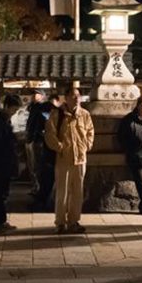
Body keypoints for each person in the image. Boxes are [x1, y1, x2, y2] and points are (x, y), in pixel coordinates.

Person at [45, 88, 94, 234]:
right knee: (62, 192)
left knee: (77, 192)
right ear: (66, 98)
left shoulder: (84, 115)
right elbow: (50, 134)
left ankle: (74, 221)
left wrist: (87, 145)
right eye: (73, 95)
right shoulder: (57, 114)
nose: (77, 98)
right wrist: (59, 147)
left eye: (78, 95)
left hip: (80, 158)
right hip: (63, 159)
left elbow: (90, 131)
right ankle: (60, 222)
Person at [0, 94, 22, 234]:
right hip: (1, 161)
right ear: (7, 106)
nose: (14, 112)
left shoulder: (3, 119)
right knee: (0, 192)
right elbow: (0, 142)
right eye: (13, 109)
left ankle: (0, 221)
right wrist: (13, 140)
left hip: (2, 160)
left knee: (1, 192)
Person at [32, 94, 60, 210]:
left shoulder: (39, 109)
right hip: (49, 149)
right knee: (48, 176)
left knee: (43, 174)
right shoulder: (53, 112)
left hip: (40, 146)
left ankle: (41, 199)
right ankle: (43, 201)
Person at [25, 90, 47, 195]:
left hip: (37, 140)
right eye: (34, 94)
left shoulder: (43, 108)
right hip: (31, 139)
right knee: (32, 166)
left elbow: (43, 124)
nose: (34, 96)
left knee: (37, 165)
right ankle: (35, 186)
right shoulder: (32, 108)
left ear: (43, 96)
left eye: (37, 94)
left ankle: (38, 188)